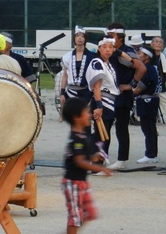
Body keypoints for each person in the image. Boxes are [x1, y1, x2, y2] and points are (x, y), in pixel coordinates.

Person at [61, 96, 112, 234]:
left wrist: (95, 156)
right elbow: (79, 161)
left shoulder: (82, 136)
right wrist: (99, 168)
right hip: (73, 183)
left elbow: (84, 156)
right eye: (87, 112)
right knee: (75, 217)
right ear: (77, 118)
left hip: (81, 183)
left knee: (90, 213)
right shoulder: (76, 139)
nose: (89, 115)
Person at [105, 23, 146, 170]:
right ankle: (103, 157)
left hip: (122, 94)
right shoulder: (108, 49)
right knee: (104, 126)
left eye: (111, 36)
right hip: (108, 93)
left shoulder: (125, 51)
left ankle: (122, 159)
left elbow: (141, 67)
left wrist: (131, 84)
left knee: (121, 127)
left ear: (120, 37)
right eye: (107, 36)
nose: (108, 39)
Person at [85, 37, 121, 166]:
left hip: (110, 101)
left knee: (105, 133)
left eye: (110, 47)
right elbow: (96, 87)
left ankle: (98, 160)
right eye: (104, 47)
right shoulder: (97, 62)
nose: (108, 50)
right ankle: (96, 164)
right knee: (101, 134)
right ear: (99, 48)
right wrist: (99, 106)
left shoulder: (108, 64)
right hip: (102, 100)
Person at [132, 45, 162, 164]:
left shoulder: (147, 68)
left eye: (140, 54)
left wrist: (132, 93)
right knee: (151, 128)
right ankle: (153, 154)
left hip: (147, 100)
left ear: (146, 57)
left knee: (147, 128)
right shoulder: (153, 67)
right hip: (151, 100)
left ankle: (150, 154)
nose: (138, 56)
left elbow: (142, 85)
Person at [59, 28, 94, 106]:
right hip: (71, 91)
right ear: (74, 39)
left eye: (82, 36)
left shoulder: (91, 56)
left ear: (85, 39)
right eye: (77, 36)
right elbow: (65, 76)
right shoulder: (67, 56)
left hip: (86, 91)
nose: (80, 38)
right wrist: (62, 93)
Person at [151, 36, 166, 123]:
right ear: (152, 44)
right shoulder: (149, 56)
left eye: (160, 42)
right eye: (156, 42)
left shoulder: (163, 57)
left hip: (161, 85)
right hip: (150, 86)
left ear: (162, 46)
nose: (158, 44)